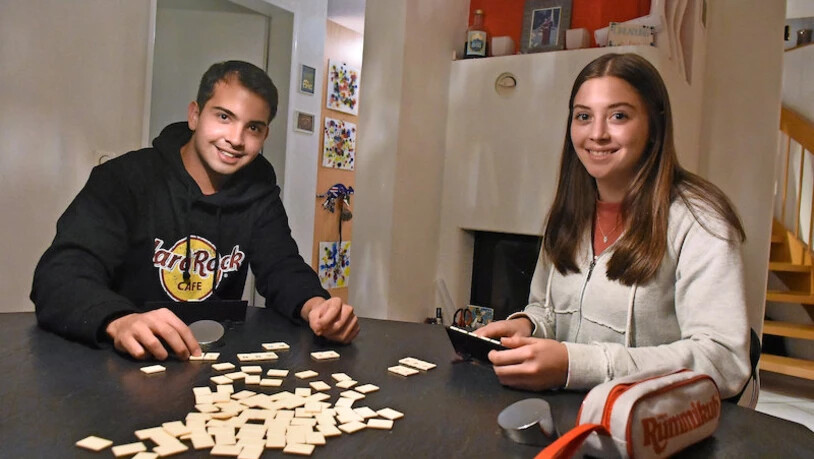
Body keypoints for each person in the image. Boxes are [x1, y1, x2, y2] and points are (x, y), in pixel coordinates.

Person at [32, 61, 359, 360]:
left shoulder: (258, 191)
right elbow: (60, 273)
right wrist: (119, 320)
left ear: (264, 136)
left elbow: (282, 266)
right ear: (194, 115)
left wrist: (316, 306)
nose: (236, 138)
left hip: (212, 364)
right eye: (223, 116)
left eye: (253, 128)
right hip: (122, 362)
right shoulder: (124, 179)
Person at [474, 53, 751, 399]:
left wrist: (577, 365)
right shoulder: (567, 213)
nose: (597, 134)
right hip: (565, 416)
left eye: (618, 116)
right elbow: (544, 308)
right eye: (583, 117)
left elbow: (724, 360)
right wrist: (525, 327)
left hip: (648, 433)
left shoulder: (701, 220)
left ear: (654, 126)